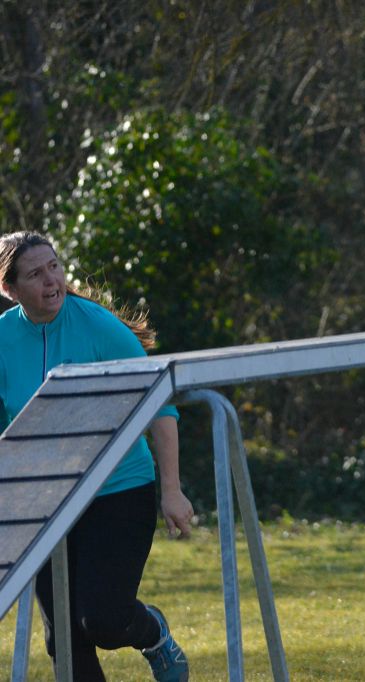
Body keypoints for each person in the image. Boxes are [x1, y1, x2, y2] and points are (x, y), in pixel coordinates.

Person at [0, 231, 192, 682]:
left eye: (54, 266)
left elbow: (160, 406)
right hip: (44, 499)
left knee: (102, 619)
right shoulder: (2, 340)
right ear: (9, 289)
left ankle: (154, 633)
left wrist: (172, 490)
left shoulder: (101, 328)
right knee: (62, 640)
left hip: (119, 489)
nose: (52, 280)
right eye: (36, 274)